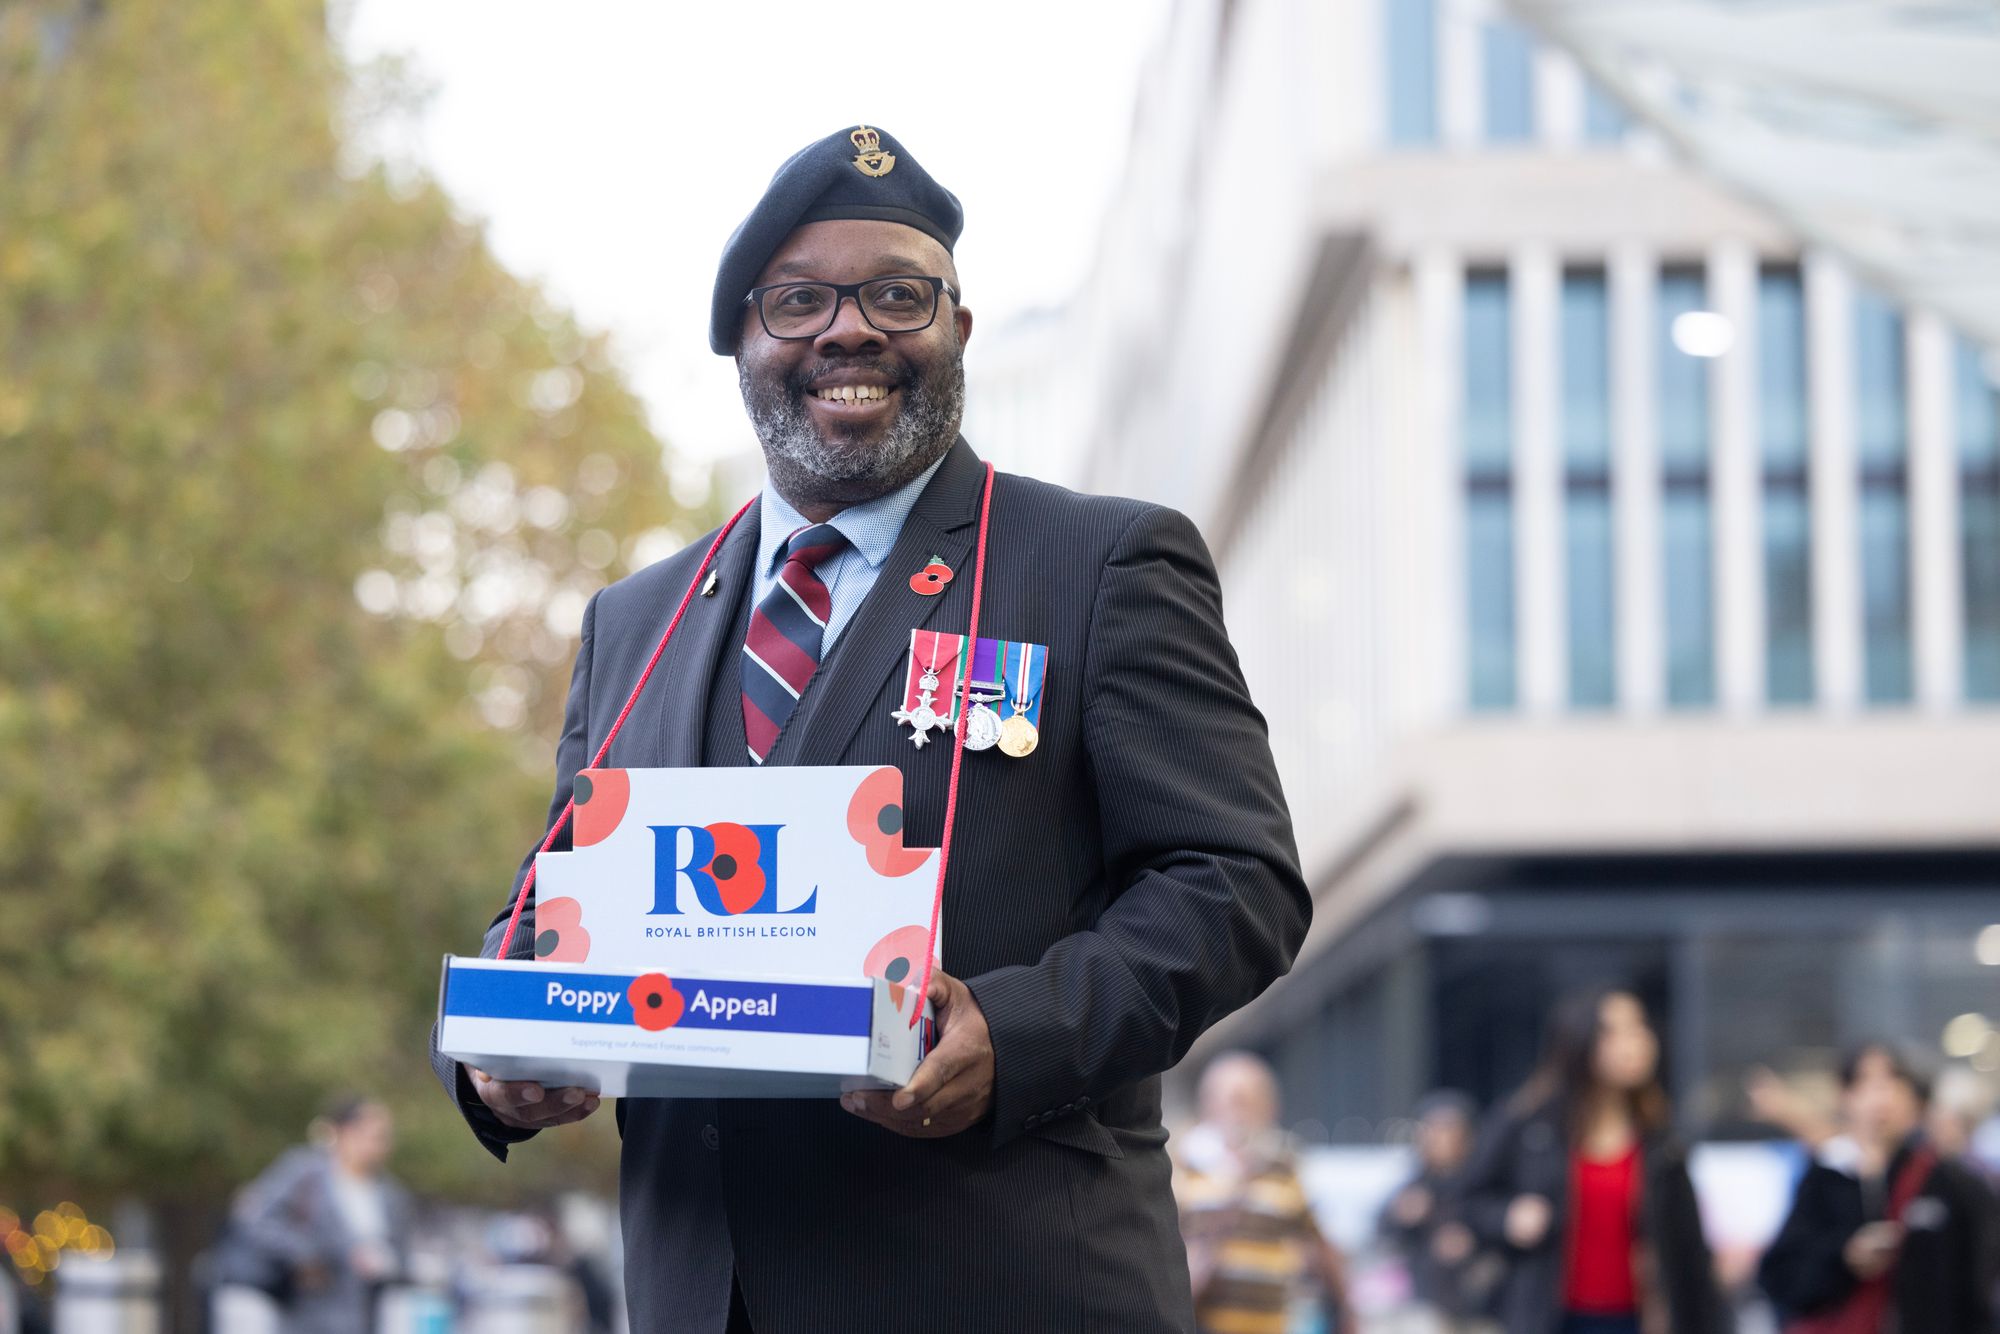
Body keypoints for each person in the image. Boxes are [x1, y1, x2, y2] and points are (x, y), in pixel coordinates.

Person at [427, 124, 1311, 1333]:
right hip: (705, 1295)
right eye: (797, 302)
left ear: (957, 326)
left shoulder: (1098, 562)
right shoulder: (633, 620)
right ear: (740, 342)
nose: (849, 330)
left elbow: (1235, 883)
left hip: (1001, 1289)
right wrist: (494, 1055)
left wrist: (1017, 1029)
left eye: (897, 294)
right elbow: (558, 902)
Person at [1452, 988, 1729, 1334]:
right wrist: (1508, 1217)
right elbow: (1466, 1200)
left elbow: (1690, 1252)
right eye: (1613, 1032)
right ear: (1580, 1041)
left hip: (1635, 1319)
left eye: (1639, 1027)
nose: (1635, 1042)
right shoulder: (1529, 1124)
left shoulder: (1660, 1138)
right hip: (1547, 1316)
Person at [1759, 1042, 1999, 1333]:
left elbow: (1980, 1286)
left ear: (1916, 1100)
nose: (1880, 1097)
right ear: (1845, 1096)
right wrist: (1844, 1256)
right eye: (1865, 1082)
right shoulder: (1829, 1176)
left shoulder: (1952, 1183)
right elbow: (1781, 1279)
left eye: (1892, 1081)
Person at [1174, 1052, 1354, 1334]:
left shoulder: (1283, 1166)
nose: (1241, 1111)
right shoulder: (1183, 1165)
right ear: (1209, 1103)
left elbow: (1318, 1242)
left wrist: (1346, 1308)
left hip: (1269, 1324)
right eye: (1234, 1099)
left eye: (1251, 1100)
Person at [222, 1096, 414, 1334]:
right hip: (307, 1312)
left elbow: (402, 1256)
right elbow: (258, 1221)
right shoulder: (305, 1175)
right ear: (345, 1132)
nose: (380, 1145)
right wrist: (308, 1254)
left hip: (362, 1317)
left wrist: (384, 1263)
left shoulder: (391, 1194)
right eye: (374, 1135)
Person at [1380, 1090, 1498, 1330]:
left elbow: (1501, 1222)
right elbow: (1383, 1229)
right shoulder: (1419, 1182)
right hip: (1429, 1302)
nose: (1439, 1138)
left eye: (1447, 1129)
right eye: (1432, 1130)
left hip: (1481, 1305)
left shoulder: (1484, 1180)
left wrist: (1472, 1240)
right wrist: (1402, 1215)